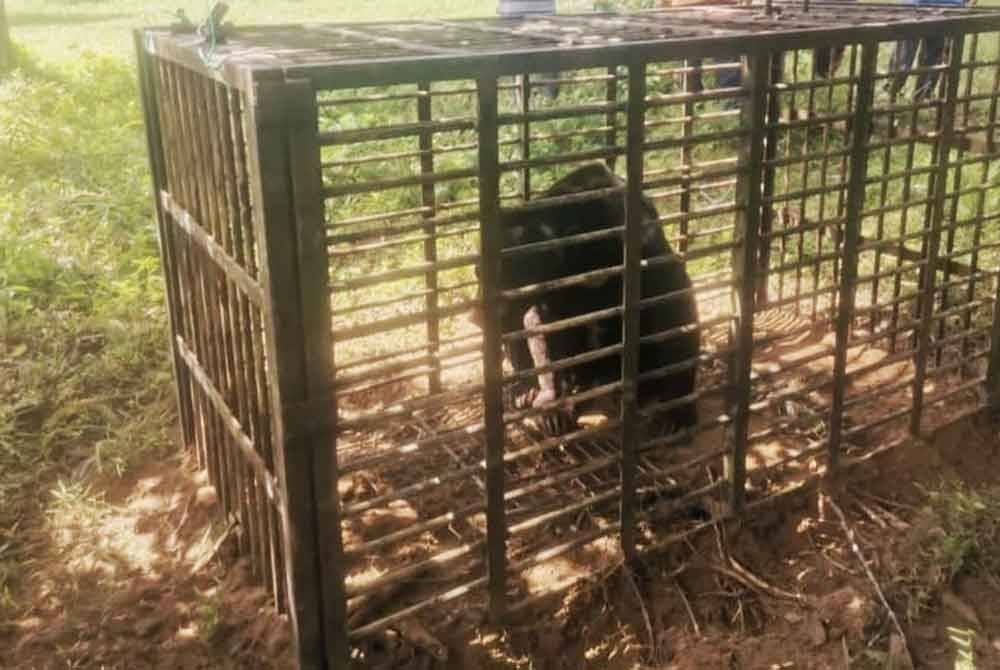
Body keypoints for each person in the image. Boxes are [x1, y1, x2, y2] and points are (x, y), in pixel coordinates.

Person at [889, 0, 969, 100]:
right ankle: (918, 94)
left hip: (928, 8)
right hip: (943, 9)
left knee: (907, 53)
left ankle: (897, 89)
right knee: (926, 54)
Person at [498, 0, 559, 98]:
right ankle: (521, 102)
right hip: (514, 15)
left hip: (544, 14)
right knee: (516, 68)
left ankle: (541, 99)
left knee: (549, 88)